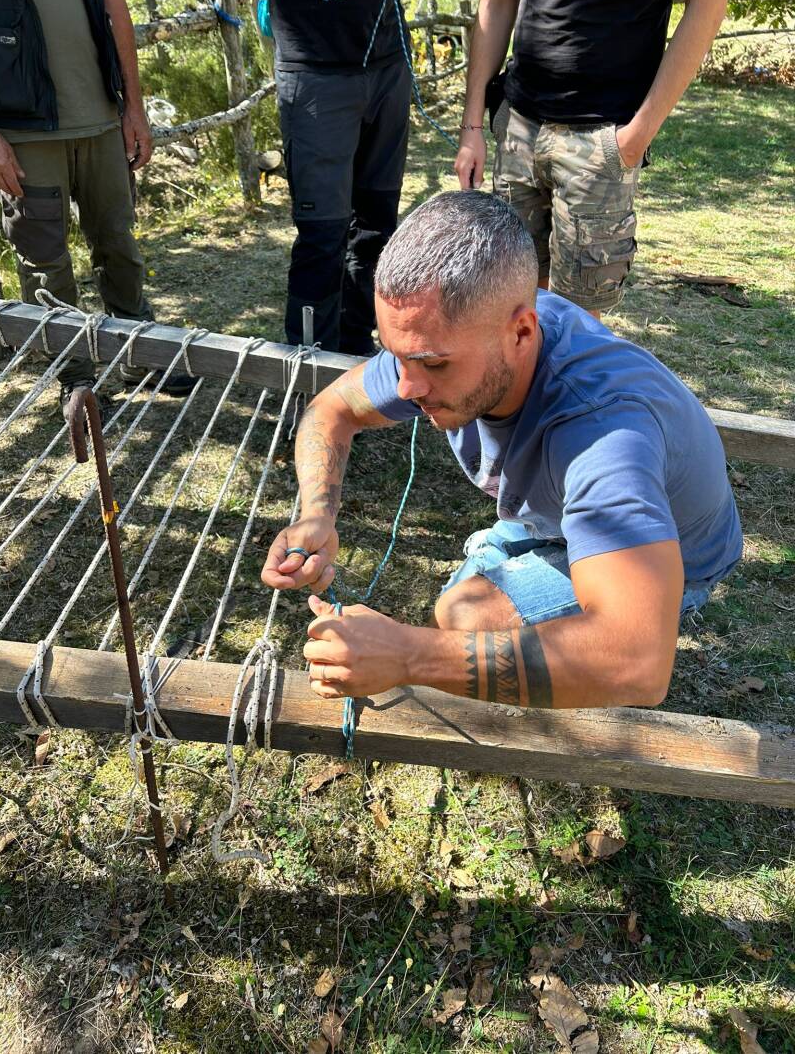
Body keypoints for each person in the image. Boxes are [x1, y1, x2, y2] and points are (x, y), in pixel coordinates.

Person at [261, 191, 742, 710]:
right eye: (396, 356)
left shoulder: (602, 436)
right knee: (459, 613)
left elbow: (636, 662)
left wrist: (408, 656)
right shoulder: (456, 329)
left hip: (677, 556)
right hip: (555, 517)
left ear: (521, 332)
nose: (405, 387)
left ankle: (662, 592)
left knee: (466, 617)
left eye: (434, 364)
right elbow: (331, 410)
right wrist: (317, 514)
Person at [454, 0, 727, 317]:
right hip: (519, 124)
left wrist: (637, 136)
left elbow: (707, 7)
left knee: (576, 319)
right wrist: (471, 126)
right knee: (515, 300)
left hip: (603, 139)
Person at [0, 0, 195, 413]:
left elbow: (114, 7)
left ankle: (141, 355)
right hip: (22, 132)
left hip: (102, 118)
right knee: (45, 263)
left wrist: (134, 107)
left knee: (118, 242)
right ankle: (75, 379)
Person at [269, 0, 411, 356]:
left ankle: (355, 347)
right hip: (315, 70)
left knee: (377, 223)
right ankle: (310, 366)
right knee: (322, 235)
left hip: (388, 62)